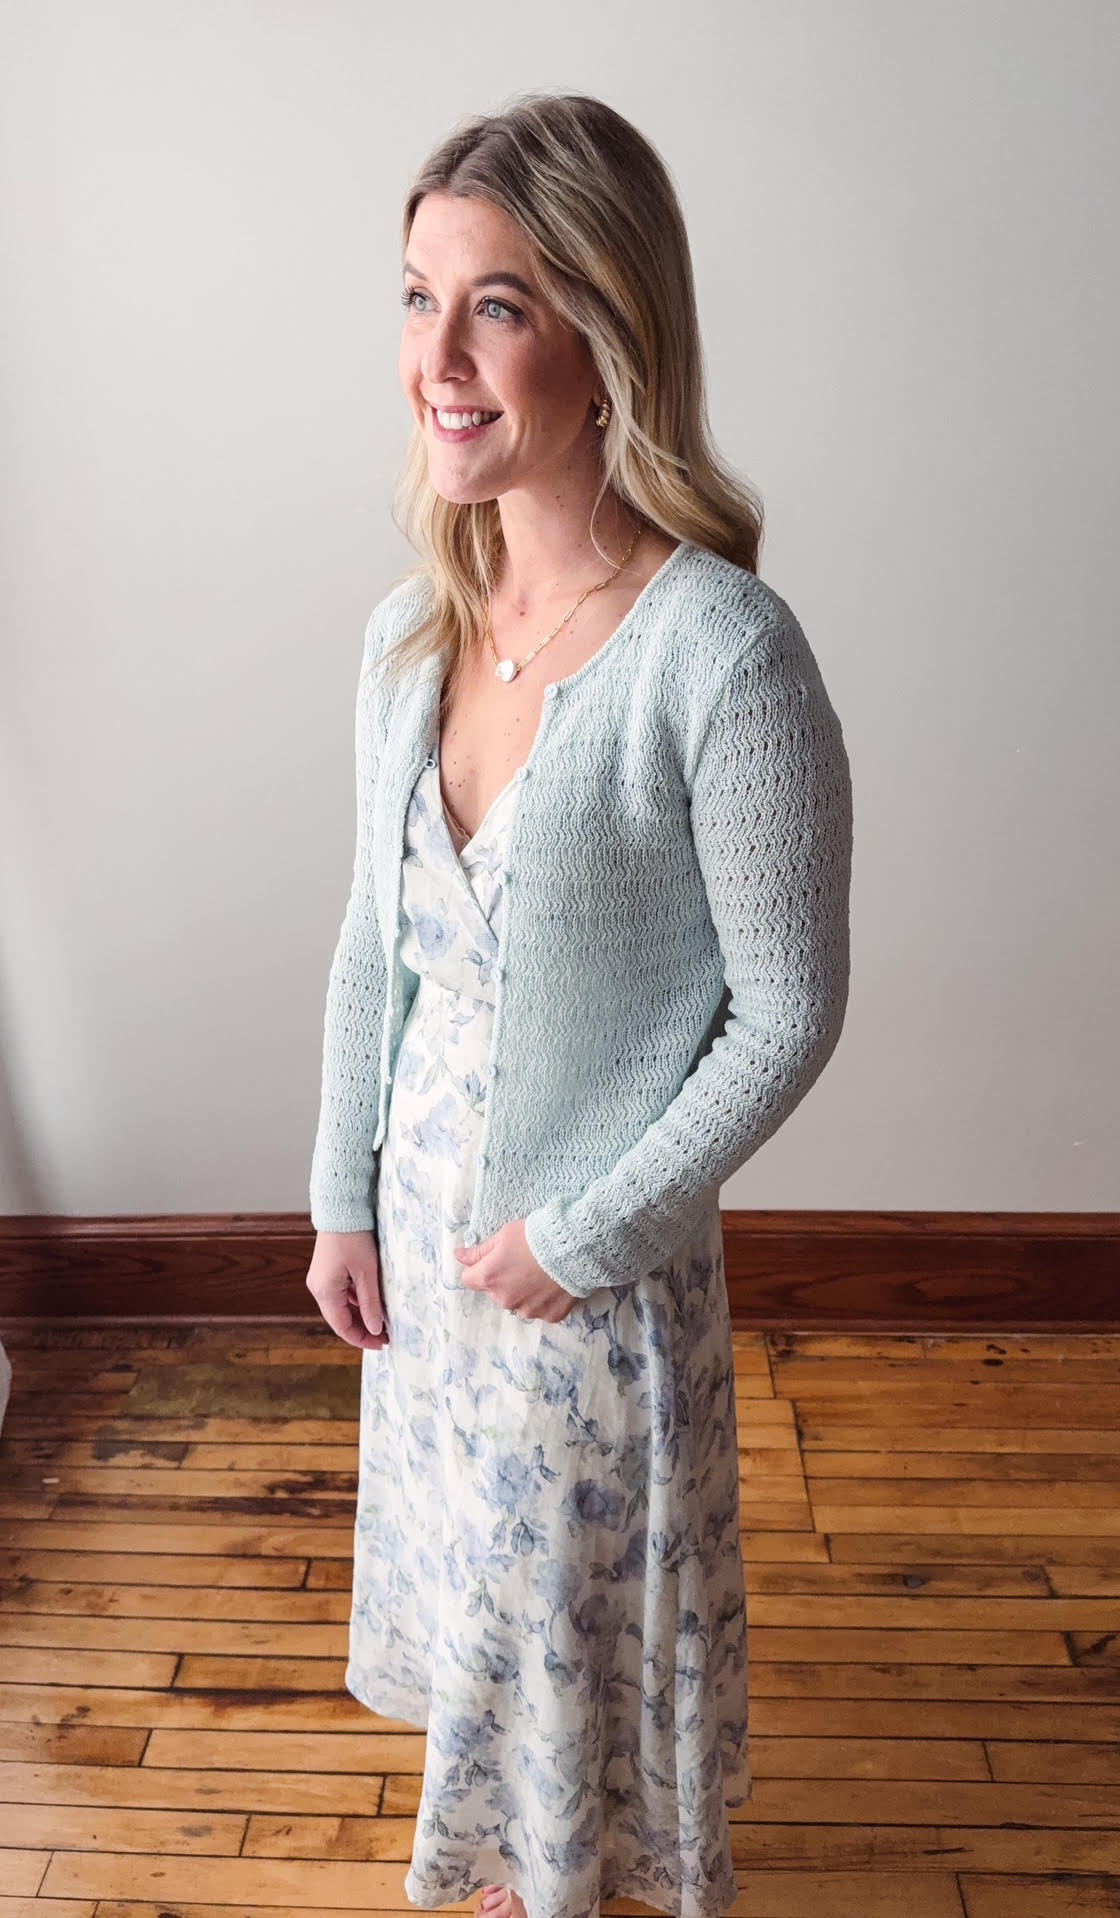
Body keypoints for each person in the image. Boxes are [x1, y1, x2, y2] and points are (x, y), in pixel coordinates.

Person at [306, 90, 853, 1918]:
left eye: (498, 306)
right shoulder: (413, 631)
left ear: (609, 330)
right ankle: (516, 1876)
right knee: (482, 1594)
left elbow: (788, 1012)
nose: (437, 360)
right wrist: (337, 1189)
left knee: (572, 1611)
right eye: (417, 298)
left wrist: (587, 1232)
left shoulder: (721, 653)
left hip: (585, 1267)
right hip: (426, 1255)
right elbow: (372, 940)